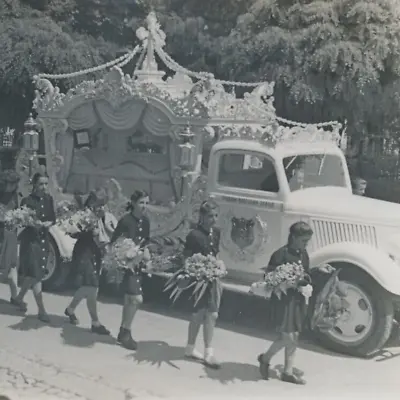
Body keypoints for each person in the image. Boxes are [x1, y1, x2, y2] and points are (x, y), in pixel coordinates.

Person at [258, 221, 313, 385]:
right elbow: (269, 278)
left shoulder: (304, 254)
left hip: (297, 299)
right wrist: (284, 282)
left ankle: (288, 371)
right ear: (294, 237)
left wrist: (307, 279)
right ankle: (265, 358)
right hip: (283, 300)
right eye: (304, 241)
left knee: (294, 334)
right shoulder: (280, 254)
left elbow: (306, 274)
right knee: (288, 336)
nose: (306, 245)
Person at [64, 188, 111, 335]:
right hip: (84, 252)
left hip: (95, 253)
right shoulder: (83, 216)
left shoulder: (101, 216)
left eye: (101, 204)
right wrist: (87, 230)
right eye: (97, 203)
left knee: (90, 287)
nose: (100, 206)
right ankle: (95, 322)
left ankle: (70, 309)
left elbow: (108, 233)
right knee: (92, 286)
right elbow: (73, 233)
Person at [183, 200, 222, 369]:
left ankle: (208, 352)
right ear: (202, 217)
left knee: (212, 314)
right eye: (210, 216)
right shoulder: (194, 235)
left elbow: (215, 254)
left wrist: (217, 266)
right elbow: (186, 258)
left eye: (215, 215)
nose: (213, 219)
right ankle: (190, 348)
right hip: (198, 279)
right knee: (198, 313)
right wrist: (195, 270)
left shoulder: (216, 233)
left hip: (212, 278)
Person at [12, 172, 56, 322]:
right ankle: (41, 310)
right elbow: (21, 221)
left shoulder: (49, 199)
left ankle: (18, 298)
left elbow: (53, 218)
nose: (43, 187)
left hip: (43, 241)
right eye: (40, 184)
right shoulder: (27, 201)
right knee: (37, 275)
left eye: (45, 184)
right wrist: (33, 224)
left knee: (33, 274)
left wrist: (49, 223)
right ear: (34, 185)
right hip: (30, 242)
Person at [110, 190, 151, 350]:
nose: (144, 206)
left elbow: (146, 243)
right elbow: (115, 243)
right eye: (141, 202)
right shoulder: (125, 221)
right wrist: (125, 255)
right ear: (133, 203)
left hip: (138, 265)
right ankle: (126, 331)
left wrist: (148, 260)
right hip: (126, 266)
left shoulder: (146, 222)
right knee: (137, 299)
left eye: (147, 203)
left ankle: (123, 332)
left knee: (129, 299)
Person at [0, 170, 21, 305]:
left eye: (15, 184)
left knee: (13, 265)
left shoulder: (15, 196)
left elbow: (17, 212)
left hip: (11, 233)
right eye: (12, 183)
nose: (14, 186)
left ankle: (15, 297)